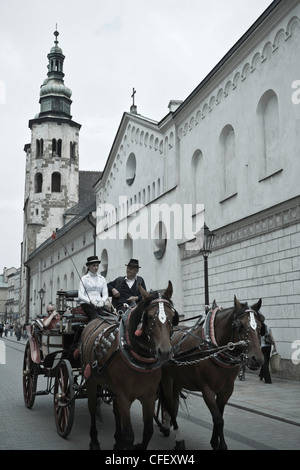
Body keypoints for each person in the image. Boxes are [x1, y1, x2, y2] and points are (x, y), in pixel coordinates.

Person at [78, 255, 109, 321]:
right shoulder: (84, 279)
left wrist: (102, 301)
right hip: (87, 304)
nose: (96, 267)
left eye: (97, 265)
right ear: (89, 267)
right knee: (96, 317)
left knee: (109, 316)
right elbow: (80, 295)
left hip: (99, 304)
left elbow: (105, 294)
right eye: (94, 266)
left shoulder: (102, 279)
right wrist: (90, 301)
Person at [259, 319, 276, 384]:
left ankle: (268, 380)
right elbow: (272, 337)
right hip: (268, 347)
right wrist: (275, 346)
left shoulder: (258, 328)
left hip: (262, 347)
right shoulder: (268, 328)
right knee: (266, 361)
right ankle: (261, 374)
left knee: (264, 363)